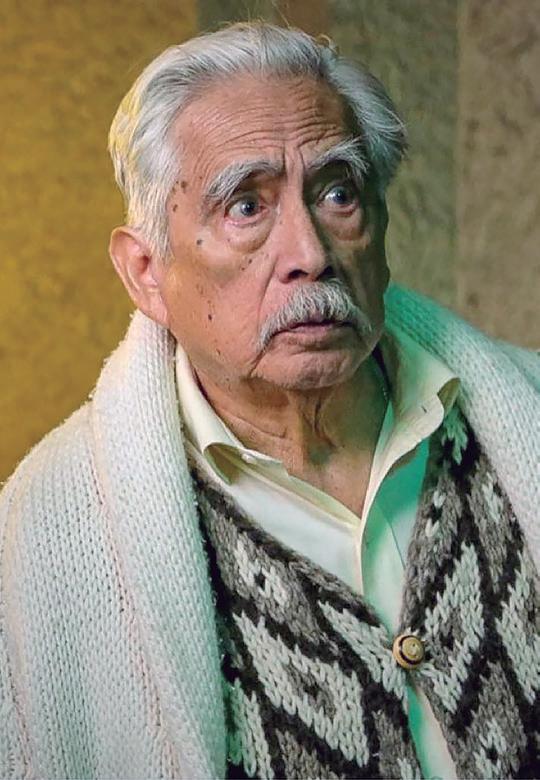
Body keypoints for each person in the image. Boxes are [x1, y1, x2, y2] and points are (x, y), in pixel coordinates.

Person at [0, 21, 538, 780]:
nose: (310, 254)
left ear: (381, 224)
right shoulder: (42, 540)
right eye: (245, 207)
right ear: (146, 273)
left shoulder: (523, 415)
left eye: (339, 193)